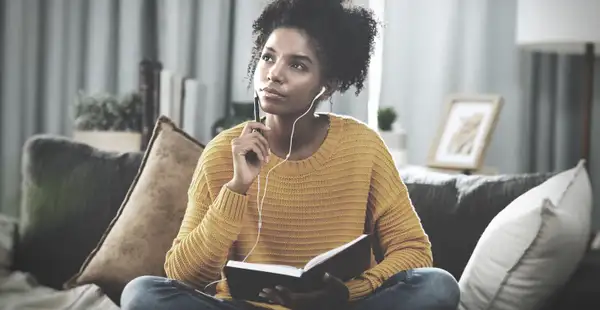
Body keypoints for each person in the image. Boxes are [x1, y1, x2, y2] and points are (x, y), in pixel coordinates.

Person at [121, 0, 460, 309]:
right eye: (268, 57)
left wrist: (347, 292)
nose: (273, 74)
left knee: (437, 286)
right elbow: (183, 276)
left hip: (341, 306)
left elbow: (414, 252)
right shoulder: (224, 152)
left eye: (297, 66)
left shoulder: (363, 147)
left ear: (326, 85)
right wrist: (237, 187)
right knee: (142, 294)